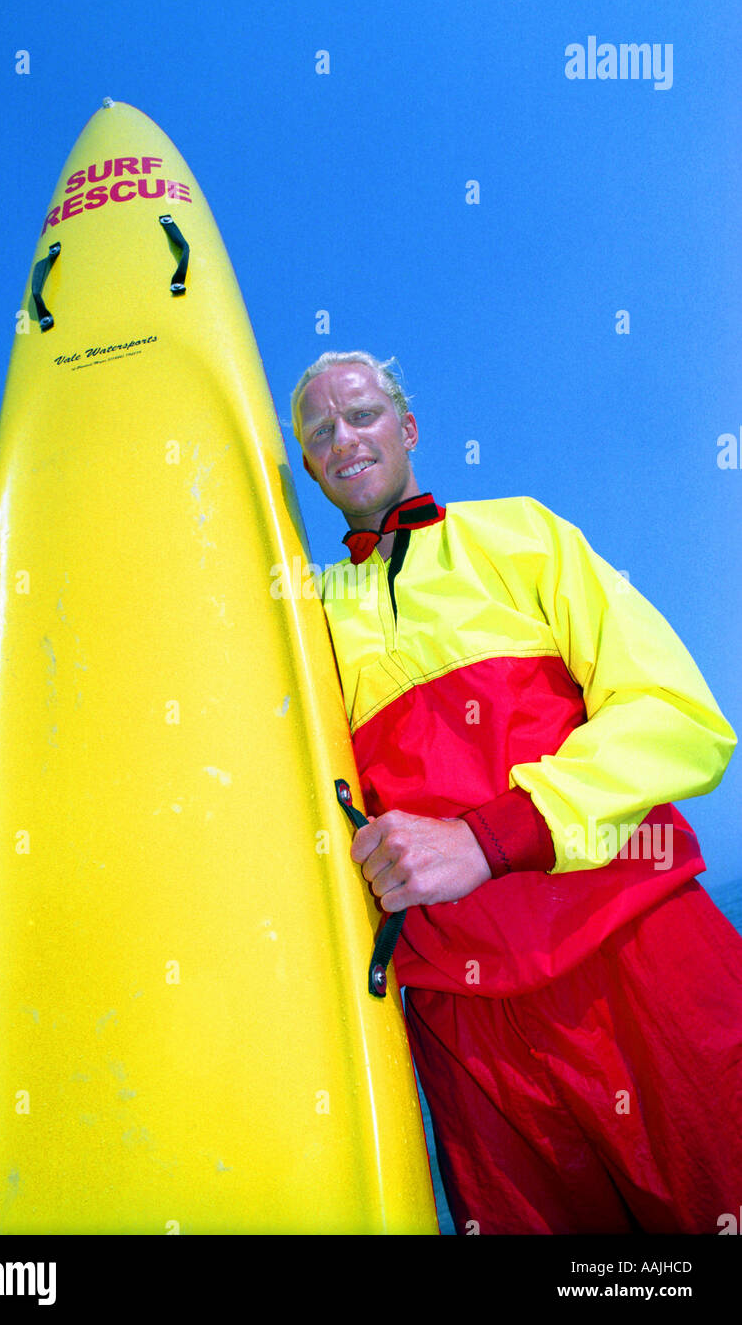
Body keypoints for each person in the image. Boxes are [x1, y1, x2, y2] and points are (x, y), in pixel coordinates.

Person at [291, 348, 742, 1235]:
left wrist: (490, 838)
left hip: (634, 948)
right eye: (319, 431)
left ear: (408, 428)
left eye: (362, 414)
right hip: (461, 1022)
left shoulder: (523, 532)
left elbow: (677, 713)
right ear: (307, 466)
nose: (343, 438)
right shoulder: (303, 615)